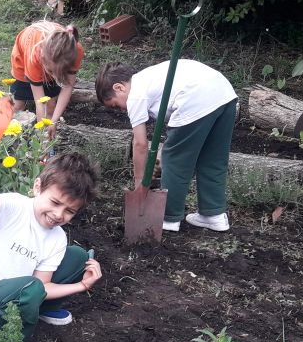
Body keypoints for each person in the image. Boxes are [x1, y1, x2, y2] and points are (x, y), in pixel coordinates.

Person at [0, 151, 102, 342]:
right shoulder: (15, 207)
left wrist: (82, 285)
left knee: (78, 258)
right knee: (31, 288)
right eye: (55, 202)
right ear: (37, 187)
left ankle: (40, 310)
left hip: (25, 291)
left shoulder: (57, 238)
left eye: (69, 211)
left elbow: (44, 286)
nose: (59, 215)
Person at [95, 60, 238, 232]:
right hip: (224, 93)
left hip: (195, 98)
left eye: (116, 105)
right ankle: (213, 215)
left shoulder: (135, 95)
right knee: (212, 157)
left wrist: (140, 183)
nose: (121, 110)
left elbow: (140, 144)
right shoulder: (148, 79)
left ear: (119, 88)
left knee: (174, 158)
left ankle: (169, 217)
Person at [9, 21, 84, 134]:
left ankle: (47, 137)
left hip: (50, 62)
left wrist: (53, 121)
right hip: (22, 62)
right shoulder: (35, 55)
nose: (55, 77)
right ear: (43, 58)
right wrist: (41, 134)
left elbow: (68, 87)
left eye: (59, 72)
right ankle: (10, 134)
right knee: (17, 106)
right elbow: (40, 102)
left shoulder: (75, 51)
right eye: (51, 72)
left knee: (50, 106)